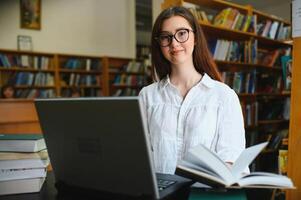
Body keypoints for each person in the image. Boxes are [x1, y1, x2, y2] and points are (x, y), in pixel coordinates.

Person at [139, 6, 246, 174]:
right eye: (166, 37)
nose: (174, 43)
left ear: (195, 37)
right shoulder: (148, 96)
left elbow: (233, 158)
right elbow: (140, 155)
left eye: (182, 33)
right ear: (159, 44)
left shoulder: (224, 96)